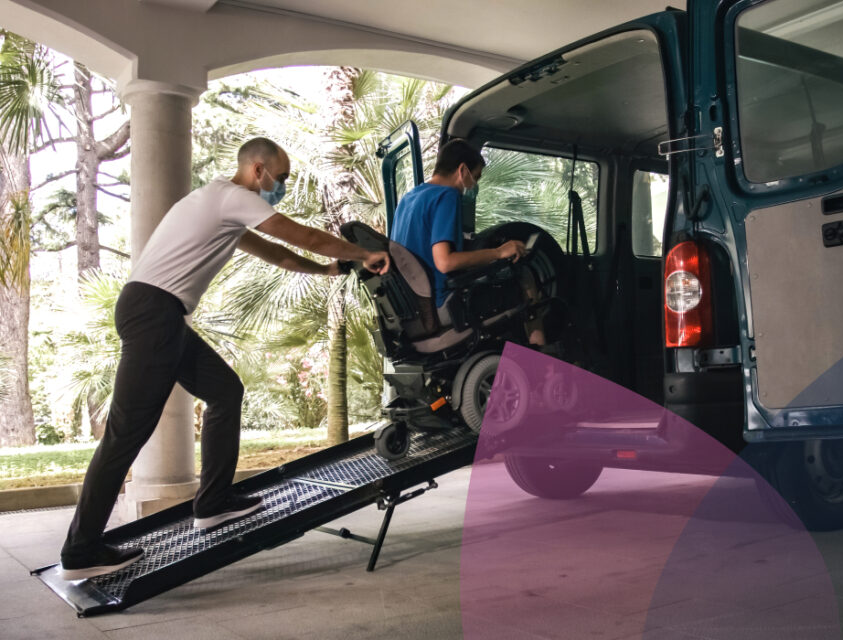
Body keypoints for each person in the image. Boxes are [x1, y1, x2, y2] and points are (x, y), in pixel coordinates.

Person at [59, 137, 389, 580]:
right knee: (126, 433)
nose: (282, 186)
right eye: (282, 177)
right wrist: (365, 253)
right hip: (153, 313)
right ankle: (81, 552)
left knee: (224, 390)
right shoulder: (233, 198)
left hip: (161, 314)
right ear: (258, 170)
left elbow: (279, 254)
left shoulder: (221, 205)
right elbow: (301, 235)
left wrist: (328, 270)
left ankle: (212, 505)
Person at [390, 139, 544, 343]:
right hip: (441, 303)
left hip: (414, 307)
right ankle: (542, 355)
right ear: (462, 170)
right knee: (523, 276)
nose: (474, 185)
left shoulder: (408, 198)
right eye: (476, 177)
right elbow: (445, 262)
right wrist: (499, 253)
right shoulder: (447, 195)